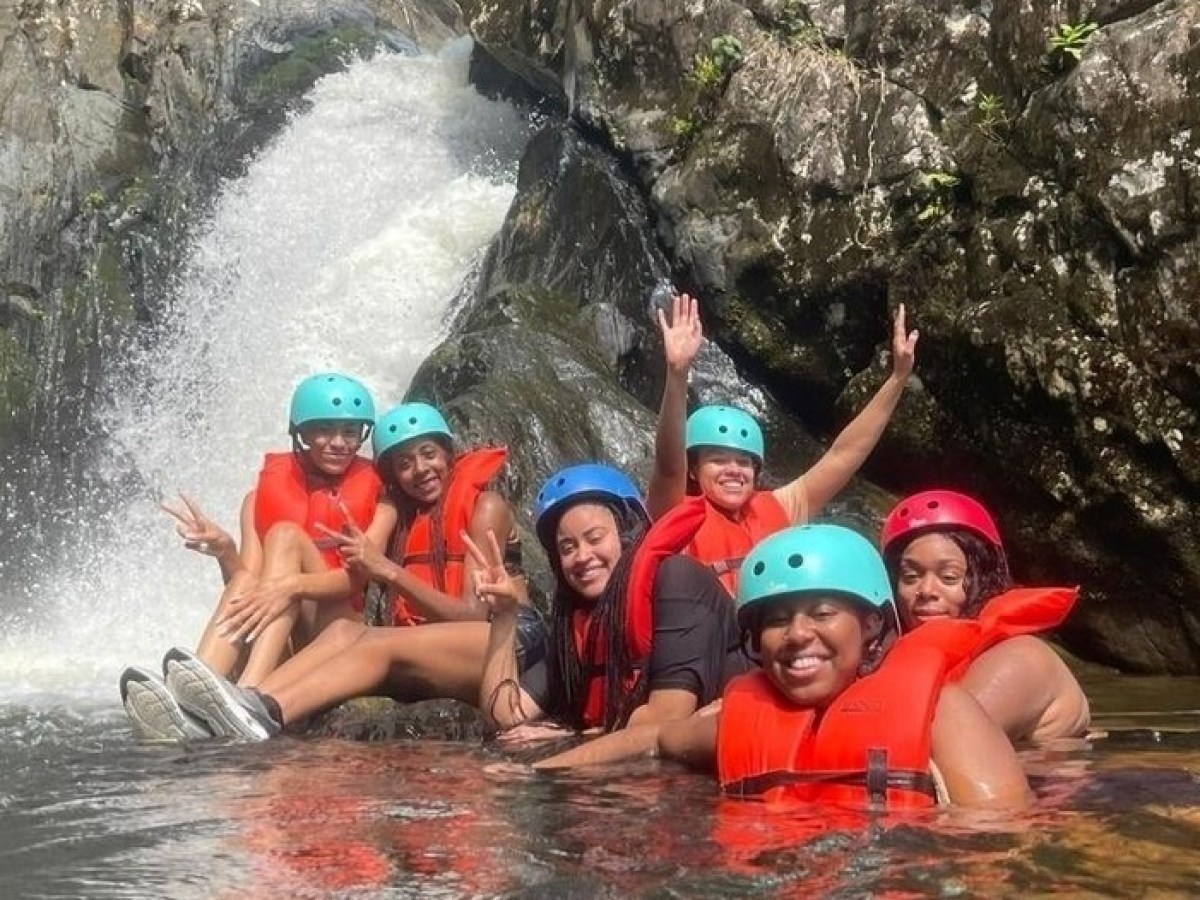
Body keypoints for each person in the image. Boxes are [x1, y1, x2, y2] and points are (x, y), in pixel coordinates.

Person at [533, 524, 1033, 812]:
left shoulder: (943, 715)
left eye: (822, 613)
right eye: (775, 620)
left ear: (872, 624)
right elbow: (655, 738)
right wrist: (539, 775)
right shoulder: (737, 722)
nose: (796, 635)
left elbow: (999, 843)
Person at [144, 403, 543, 742]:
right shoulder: (403, 515)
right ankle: (243, 705)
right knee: (342, 633)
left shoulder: (485, 505)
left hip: (509, 639)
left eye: (429, 454)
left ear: (448, 454)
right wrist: (228, 552)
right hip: (447, 647)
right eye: (404, 463)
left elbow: (474, 614)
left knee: (375, 644)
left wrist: (388, 571)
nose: (420, 470)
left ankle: (263, 711)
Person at [120, 372, 393, 741]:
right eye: (325, 430)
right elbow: (247, 581)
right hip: (280, 631)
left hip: (337, 627)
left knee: (284, 536)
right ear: (301, 434)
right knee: (249, 576)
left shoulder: (383, 499)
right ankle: (197, 699)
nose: (339, 443)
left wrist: (291, 586)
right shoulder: (256, 499)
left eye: (350, 432)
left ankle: (246, 693)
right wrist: (225, 551)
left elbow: (359, 577)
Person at [647, 292, 919, 595]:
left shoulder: (777, 508)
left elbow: (843, 456)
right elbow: (669, 465)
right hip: (711, 639)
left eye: (744, 462)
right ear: (694, 470)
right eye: (718, 460)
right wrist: (677, 374)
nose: (734, 470)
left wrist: (896, 380)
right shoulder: (675, 512)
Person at [476, 463, 753, 738]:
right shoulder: (575, 632)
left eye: (595, 538)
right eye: (567, 548)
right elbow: (502, 716)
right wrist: (504, 615)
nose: (582, 556)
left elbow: (667, 717)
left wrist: (569, 737)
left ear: (628, 535)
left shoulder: (677, 581)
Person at [880, 489, 1091, 744]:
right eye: (910, 577)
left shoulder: (1023, 657)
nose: (926, 591)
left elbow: (945, 743)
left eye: (949, 578)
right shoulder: (888, 657)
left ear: (985, 581)